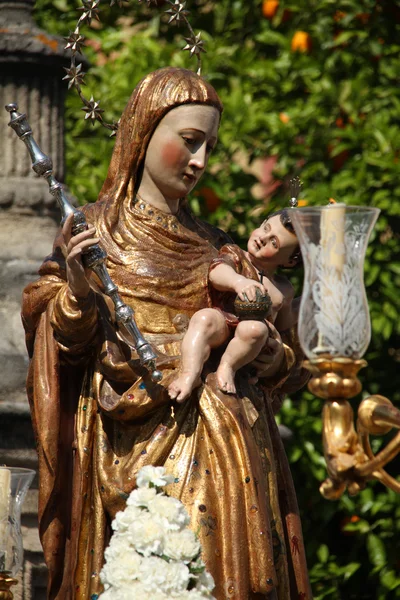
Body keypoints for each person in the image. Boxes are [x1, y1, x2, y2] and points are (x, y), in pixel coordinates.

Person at [22, 67, 312, 600]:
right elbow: (58, 335)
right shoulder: (93, 231)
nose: (201, 162)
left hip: (235, 466)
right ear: (144, 132)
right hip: (129, 446)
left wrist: (271, 356)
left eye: (210, 147)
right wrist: (80, 286)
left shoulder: (220, 248)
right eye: (189, 142)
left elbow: (287, 362)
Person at [168, 210, 301, 401]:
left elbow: (285, 324)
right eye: (265, 228)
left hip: (252, 337)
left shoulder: (284, 290)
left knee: (255, 330)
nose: (262, 238)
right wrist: (238, 282)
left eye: (274, 243)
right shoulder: (236, 255)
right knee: (204, 319)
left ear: (290, 261)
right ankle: (189, 374)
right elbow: (217, 272)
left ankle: (228, 366)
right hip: (225, 318)